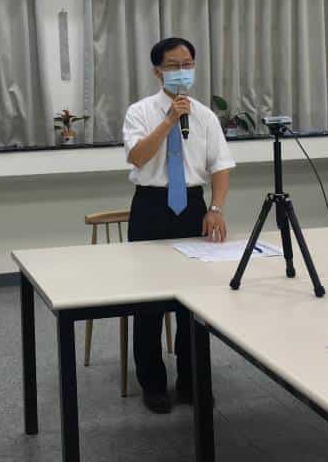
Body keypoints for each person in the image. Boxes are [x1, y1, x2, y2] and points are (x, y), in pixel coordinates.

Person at [122, 36, 235, 414]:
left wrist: (216, 208)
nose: (182, 71)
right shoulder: (139, 112)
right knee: (149, 302)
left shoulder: (205, 116)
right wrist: (169, 120)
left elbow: (220, 165)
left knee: (196, 301)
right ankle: (153, 384)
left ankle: (192, 382)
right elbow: (138, 157)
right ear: (158, 72)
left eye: (188, 64)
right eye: (173, 65)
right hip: (151, 207)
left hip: (192, 207)